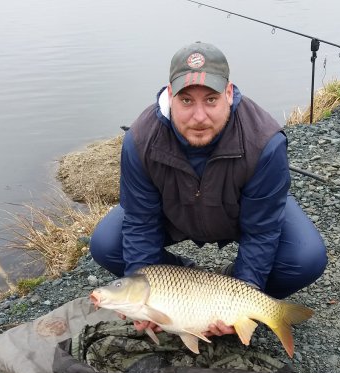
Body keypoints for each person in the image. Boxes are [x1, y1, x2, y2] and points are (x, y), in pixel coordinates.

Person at [90, 41, 327, 337]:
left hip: (240, 214)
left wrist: (243, 291)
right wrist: (146, 304)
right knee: (105, 243)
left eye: (211, 100)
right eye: (187, 101)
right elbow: (140, 222)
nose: (199, 116)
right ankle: (185, 291)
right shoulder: (140, 141)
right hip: (174, 214)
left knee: (307, 257)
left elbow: (262, 230)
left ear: (229, 93)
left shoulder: (265, 142)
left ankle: (230, 294)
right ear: (170, 95)